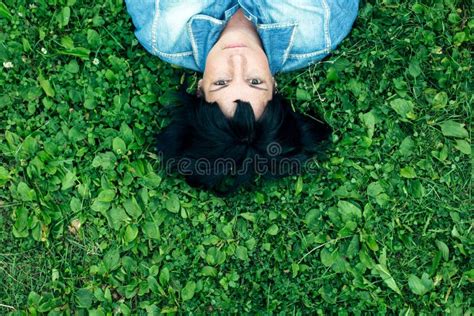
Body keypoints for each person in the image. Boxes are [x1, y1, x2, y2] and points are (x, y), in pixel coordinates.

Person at [125, 1, 359, 193]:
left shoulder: (165, 28)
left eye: (221, 83)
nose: (238, 59)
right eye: (255, 82)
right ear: (274, 86)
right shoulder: (316, 26)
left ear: (200, 88)